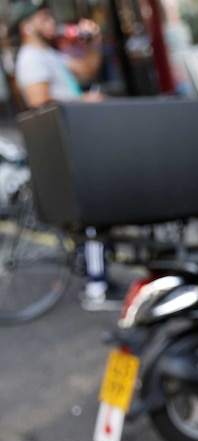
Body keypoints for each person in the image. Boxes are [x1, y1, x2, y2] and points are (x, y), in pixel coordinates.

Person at [10, 0, 122, 311]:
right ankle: (97, 286)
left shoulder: (47, 54)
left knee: (95, 214)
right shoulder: (32, 58)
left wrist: (92, 42)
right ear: (27, 25)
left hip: (76, 146)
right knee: (92, 216)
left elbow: (86, 69)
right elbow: (40, 102)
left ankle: (98, 275)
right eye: (43, 16)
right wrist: (84, 101)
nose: (50, 21)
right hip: (65, 150)